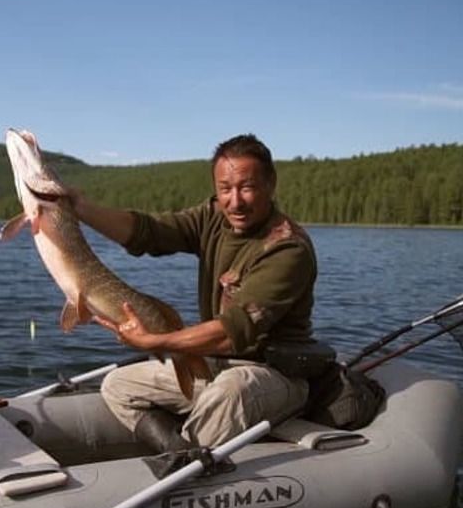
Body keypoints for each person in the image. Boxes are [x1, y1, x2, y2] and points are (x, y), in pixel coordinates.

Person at [70, 134, 318, 460]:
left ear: (271, 184)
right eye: (225, 188)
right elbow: (150, 233)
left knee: (231, 393)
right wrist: (81, 209)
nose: (235, 201)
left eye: (247, 187)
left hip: (275, 375)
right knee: (117, 385)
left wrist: (155, 341)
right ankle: (180, 453)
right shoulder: (212, 218)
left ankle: (185, 472)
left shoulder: (287, 248)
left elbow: (231, 334)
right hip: (217, 366)